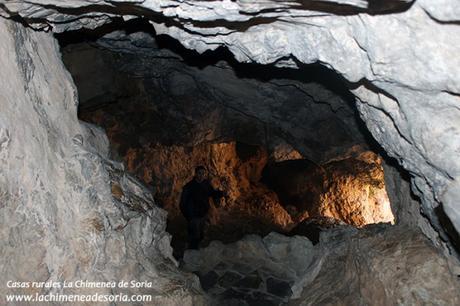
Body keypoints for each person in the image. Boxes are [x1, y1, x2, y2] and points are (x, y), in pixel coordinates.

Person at [179, 166, 224, 249]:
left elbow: (212, 193)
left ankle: (196, 252)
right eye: (199, 173)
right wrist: (189, 217)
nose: (201, 175)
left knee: (201, 235)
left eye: (203, 173)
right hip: (193, 216)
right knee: (194, 236)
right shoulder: (189, 186)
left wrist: (220, 193)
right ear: (195, 174)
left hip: (203, 214)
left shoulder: (206, 184)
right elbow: (182, 203)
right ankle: (191, 253)